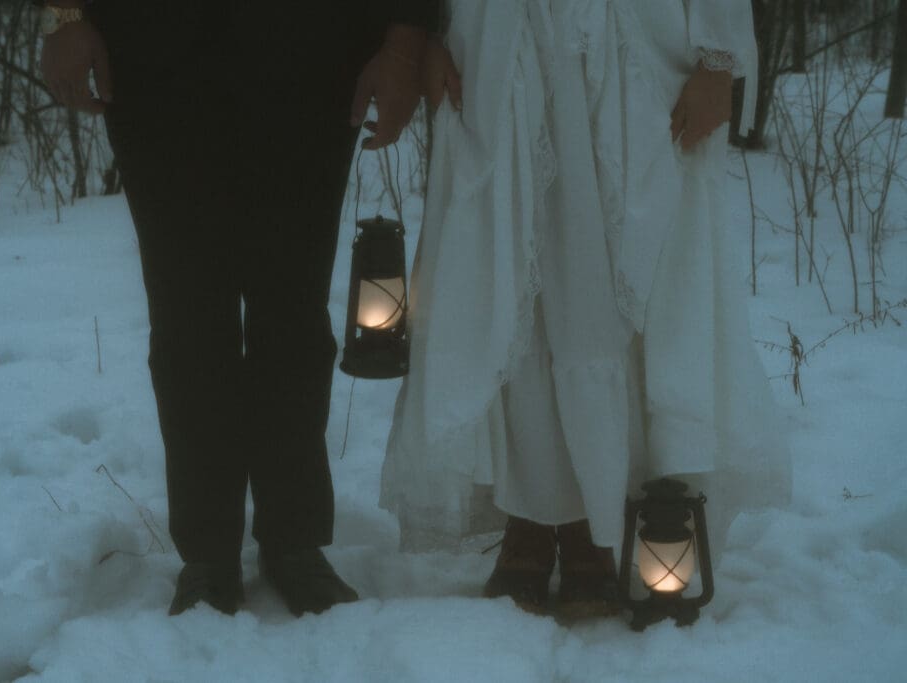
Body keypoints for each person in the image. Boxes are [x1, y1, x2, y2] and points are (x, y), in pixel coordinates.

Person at [382, 0, 791, 616]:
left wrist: (719, 57)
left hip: (629, 45)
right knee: (517, 277)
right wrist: (426, 35)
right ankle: (528, 518)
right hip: (501, 42)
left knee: (606, 287)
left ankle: (596, 522)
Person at [39, 0, 437, 617]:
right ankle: (208, 554)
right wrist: (63, 16)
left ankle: (294, 541)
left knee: (293, 308)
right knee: (187, 312)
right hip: (154, 55)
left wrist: (406, 38)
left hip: (313, 50)